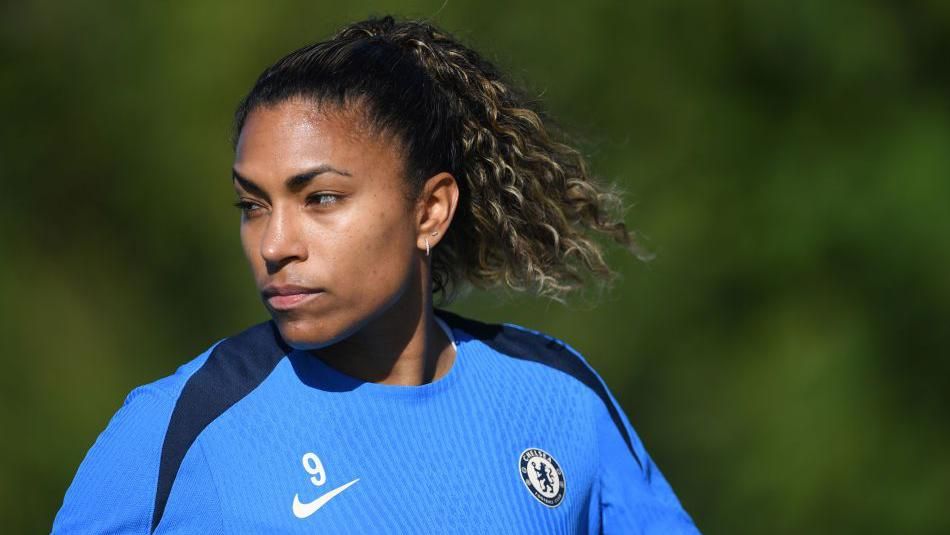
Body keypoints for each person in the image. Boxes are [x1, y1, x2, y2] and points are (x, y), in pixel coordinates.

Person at [51, 15, 700, 534]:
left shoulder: (560, 401)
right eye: (253, 205)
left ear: (430, 210)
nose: (274, 243)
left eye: (321, 198)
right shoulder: (178, 427)